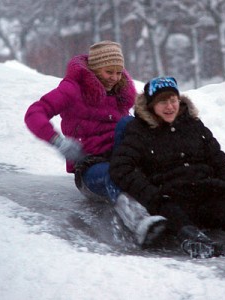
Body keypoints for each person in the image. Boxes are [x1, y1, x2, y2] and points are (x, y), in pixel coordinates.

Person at [109, 76, 225, 258]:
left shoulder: (193, 125)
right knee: (174, 213)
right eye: (162, 101)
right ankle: (193, 240)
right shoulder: (139, 131)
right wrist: (152, 196)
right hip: (169, 195)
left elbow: (219, 161)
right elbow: (121, 168)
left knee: (220, 207)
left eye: (173, 100)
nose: (169, 106)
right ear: (150, 105)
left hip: (204, 190)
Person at [24, 41, 166, 246]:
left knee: (129, 124)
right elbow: (34, 113)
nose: (115, 78)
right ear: (94, 68)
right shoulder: (72, 89)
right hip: (91, 167)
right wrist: (58, 142)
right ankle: (140, 222)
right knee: (114, 175)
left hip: (121, 158)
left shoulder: (122, 91)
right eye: (109, 72)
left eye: (119, 72)